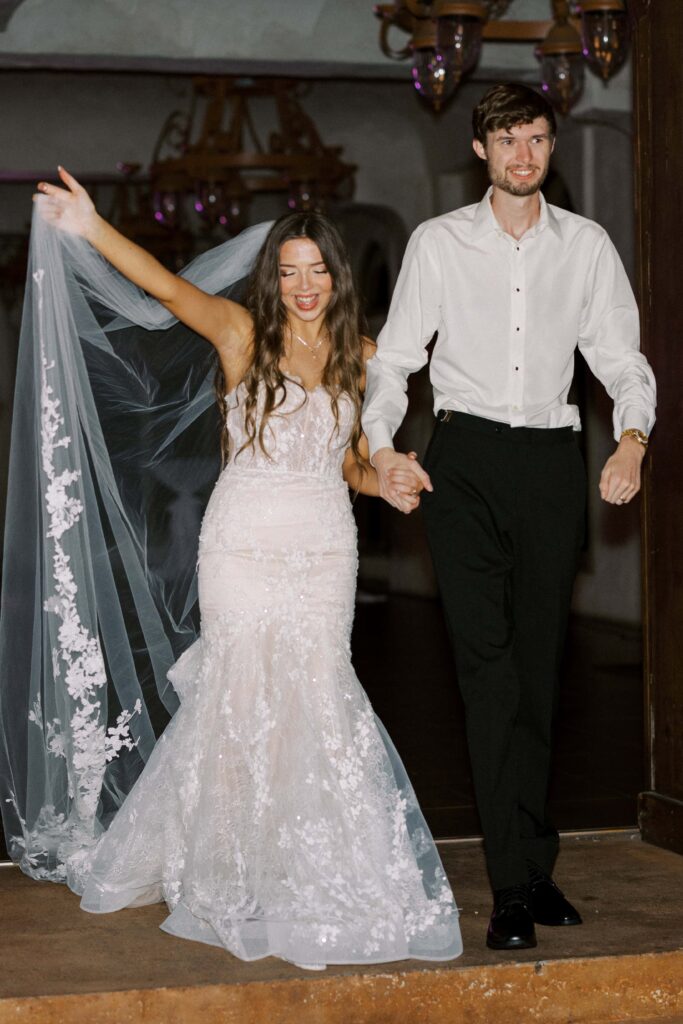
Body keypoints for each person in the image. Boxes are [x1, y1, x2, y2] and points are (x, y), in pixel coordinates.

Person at [30, 168, 462, 969]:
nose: (303, 286)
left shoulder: (365, 356)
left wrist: (391, 479)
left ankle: (303, 858)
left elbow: (355, 465)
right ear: (274, 277)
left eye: (316, 270)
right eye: (288, 271)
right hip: (242, 539)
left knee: (316, 689)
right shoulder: (237, 333)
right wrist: (90, 225)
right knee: (238, 690)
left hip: (324, 544)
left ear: (336, 276)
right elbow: (160, 284)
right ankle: (226, 865)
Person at [362, 83, 656, 951]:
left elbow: (618, 355)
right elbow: (394, 360)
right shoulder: (438, 243)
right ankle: (508, 889)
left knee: (538, 675)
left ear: (550, 145)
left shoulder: (587, 246)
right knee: (489, 679)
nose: (522, 155)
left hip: (548, 467)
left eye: (535, 138)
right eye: (505, 140)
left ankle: (534, 863)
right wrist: (382, 447)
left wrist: (632, 438)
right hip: (464, 464)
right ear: (480, 151)